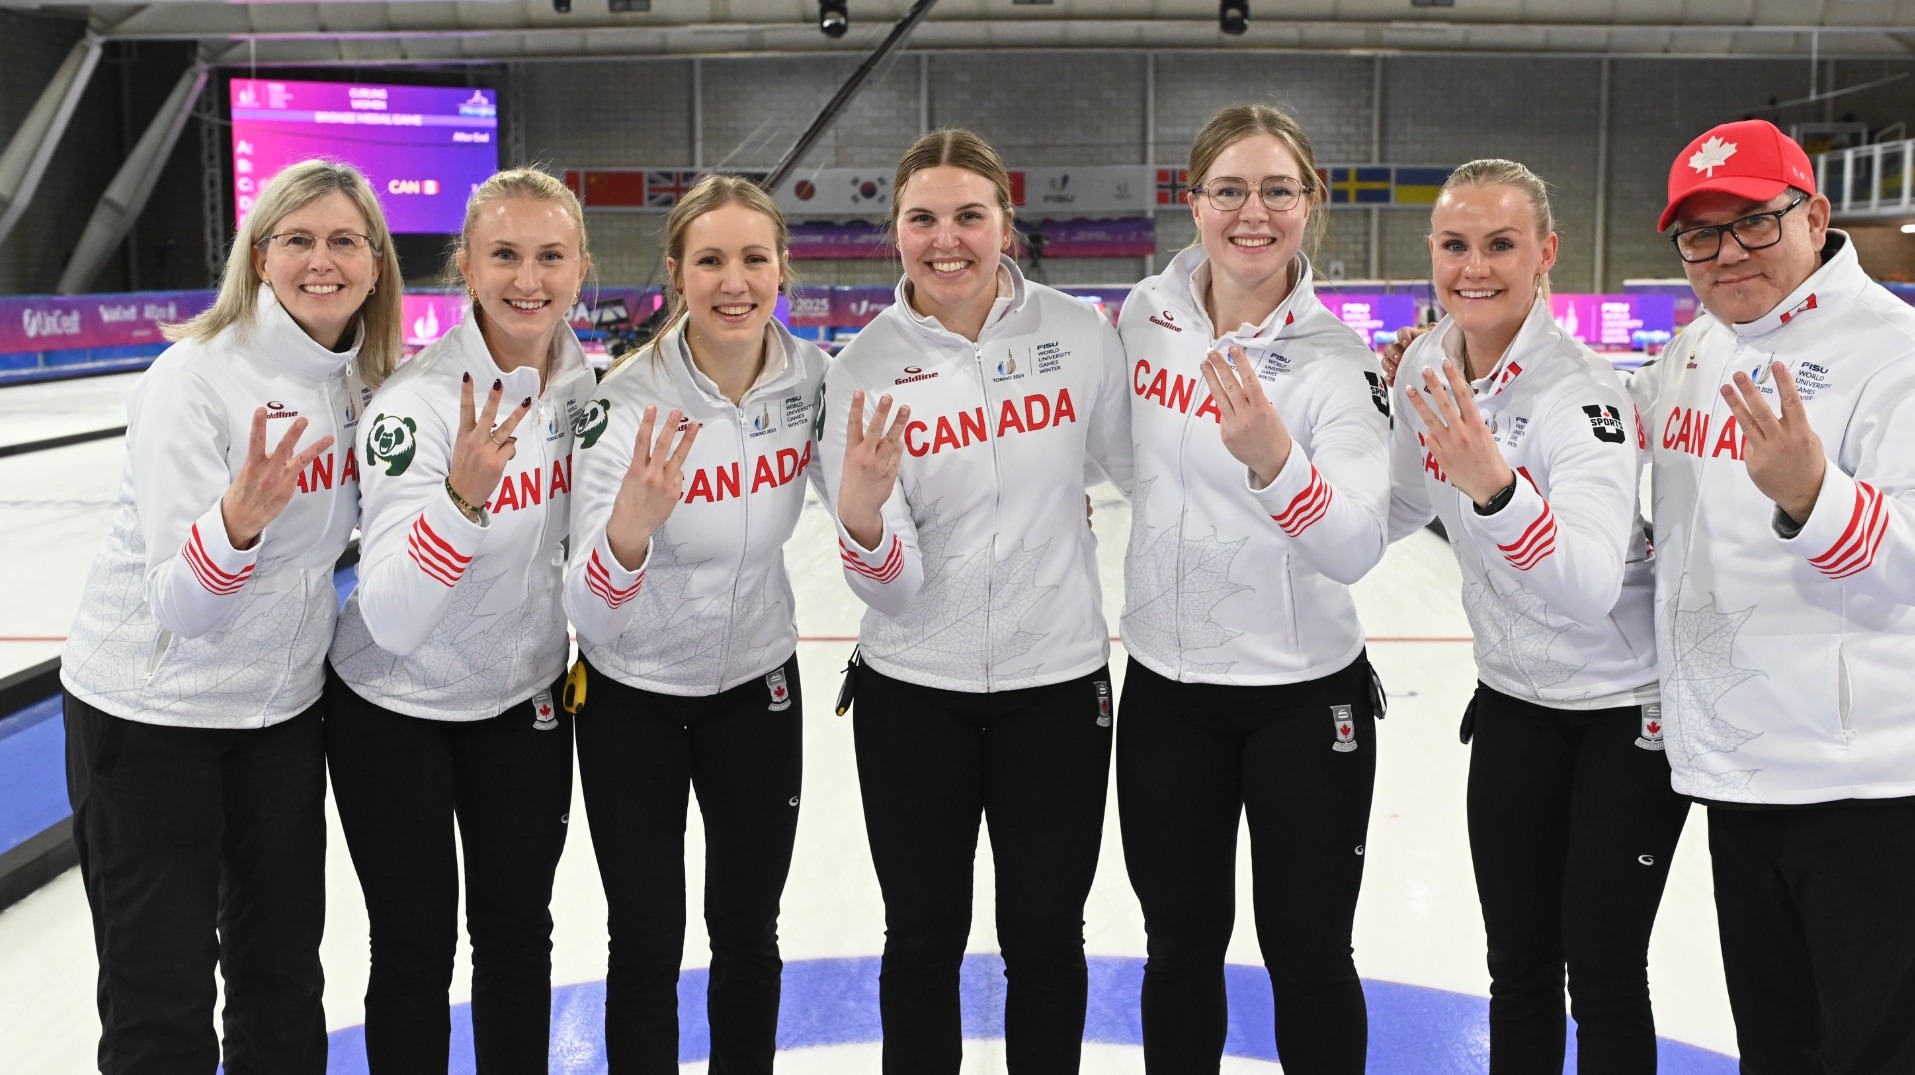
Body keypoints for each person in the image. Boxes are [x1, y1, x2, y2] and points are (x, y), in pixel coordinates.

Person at [1633, 118, 1915, 1073]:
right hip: (1745, 773)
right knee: (1779, 1051)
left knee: (1873, 1057)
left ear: (1814, 215)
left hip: (1870, 789)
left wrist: (1814, 495)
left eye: (1752, 222)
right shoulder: (1698, 350)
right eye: (1700, 235)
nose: (1726, 253)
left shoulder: (1905, 355)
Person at [60, 157, 403, 1073]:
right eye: (297, 239)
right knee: (161, 994)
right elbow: (182, 600)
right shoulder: (194, 379)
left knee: (283, 976)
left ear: (375, 263)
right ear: (259, 258)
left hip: (279, 718)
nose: (320, 260)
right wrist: (238, 522)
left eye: (343, 240)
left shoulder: (363, 381)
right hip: (151, 716)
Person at [813, 127, 1131, 1074]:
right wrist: (864, 520)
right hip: (915, 694)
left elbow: (1148, 477)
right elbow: (893, 588)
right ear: (895, 233)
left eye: (968, 215)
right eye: (922, 218)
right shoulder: (861, 370)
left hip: (1058, 691)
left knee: (1046, 936)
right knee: (920, 939)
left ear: (1006, 225)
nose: (945, 238)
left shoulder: (1077, 336)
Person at [1385, 159, 1687, 1074]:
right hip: (1515, 703)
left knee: (1600, 971)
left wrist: (1497, 490)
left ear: (1545, 253)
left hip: (1620, 715)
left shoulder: (1581, 396)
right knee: (1516, 965)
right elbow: (1395, 506)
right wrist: (1279, 487)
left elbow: (1590, 581)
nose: (1474, 266)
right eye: (1455, 245)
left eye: (1501, 244)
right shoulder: (1429, 367)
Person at [1115, 103, 1390, 1073]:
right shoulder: (1143, 319)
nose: (1252, 212)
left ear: (1309, 205)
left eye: (1277, 190)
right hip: (1166, 695)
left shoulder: (1338, 364)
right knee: (1177, 948)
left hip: (1301, 697)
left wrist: (1276, 462)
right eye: (1228, 189)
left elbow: (1354, 544)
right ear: (1192, 204)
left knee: (1308, 954)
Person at [324, 167, 596, 1073]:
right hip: (393, 709)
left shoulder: (580, 383)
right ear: (466, 269)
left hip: (520, 704)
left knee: (519, 940)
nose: (529, 278)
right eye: (505, 255)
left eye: (550, 255)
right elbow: (394, 614)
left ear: (581, 266)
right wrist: (461, 500)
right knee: (414, 949)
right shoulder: (415, 406)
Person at [562, 174, 826, 1070]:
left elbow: (879, 504)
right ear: (676, 272)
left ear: (783, 270)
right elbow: (585, 607)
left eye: (754, 257)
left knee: (749, 932)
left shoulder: (810, 378)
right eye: (710, 259)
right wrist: (631, 528)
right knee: (644, 939)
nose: (734, 280)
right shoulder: (623, 403)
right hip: (631, 701)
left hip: (758, 690)